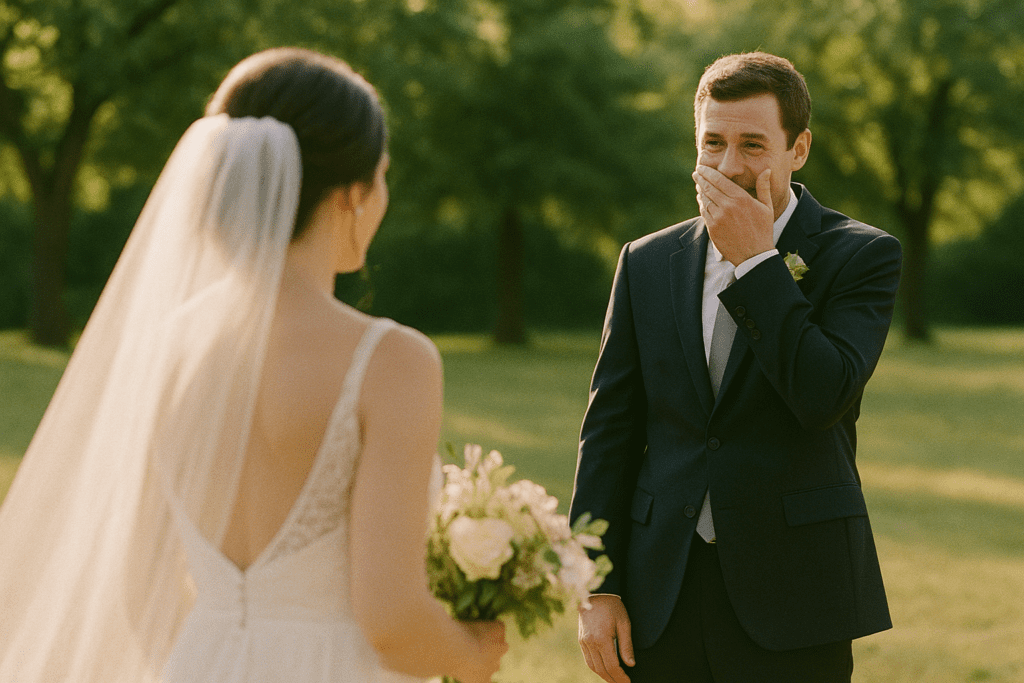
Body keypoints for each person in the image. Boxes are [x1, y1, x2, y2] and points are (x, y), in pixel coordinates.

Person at [0, 47, 506, 683]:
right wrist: (472, 653)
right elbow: (390, 618)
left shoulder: (166, 348)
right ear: (353, 193)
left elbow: (142, 589)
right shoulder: (392, 361)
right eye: (381, 175)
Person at [570, 52, 900, 682]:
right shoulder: (647, 261)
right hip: (659, 591)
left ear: (797, 149)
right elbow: (609, 429)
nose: (727, 166)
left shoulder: (861, 255)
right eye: (712, 143)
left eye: (752, 144)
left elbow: (821, 395)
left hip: (796, 596)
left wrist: (757, 264)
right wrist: (596, 584)